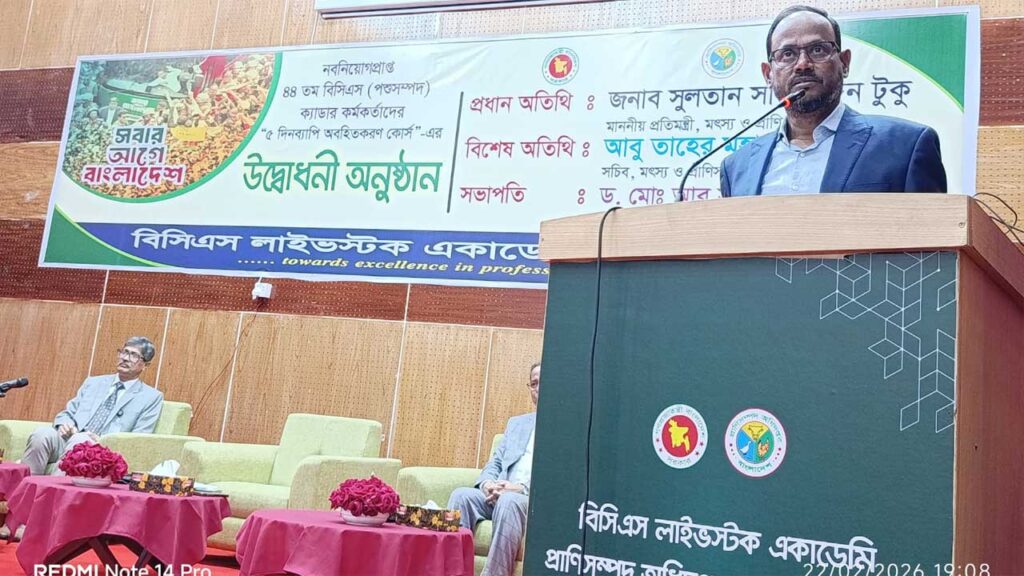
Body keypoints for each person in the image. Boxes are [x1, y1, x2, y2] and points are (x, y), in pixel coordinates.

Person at [720, 5, 947, 197]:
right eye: (787, 54)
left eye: (818, 50)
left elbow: (932, 236)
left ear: (844, 63)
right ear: (768, 74)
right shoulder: (736, 167)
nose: (802, 64)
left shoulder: (906, 146)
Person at [22, 336, 164, 476]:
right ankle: (24, 487)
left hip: (101, 448)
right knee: (41, 434)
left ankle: (52, 490)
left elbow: (139, 437)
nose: (125, 358)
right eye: (124, 352)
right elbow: (67, 413)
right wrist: (65, 425)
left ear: (145, 365)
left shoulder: (150, 397)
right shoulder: (93, 383)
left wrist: (103, 440)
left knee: (80, 440)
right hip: (70, 437)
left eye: (134, 355)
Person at [448, 362, 540, 576]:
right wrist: (488, 483)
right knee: (461, 496)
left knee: (509, 501)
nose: (538, 388)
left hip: (530, 499)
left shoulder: (567, 428)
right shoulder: (516, 424)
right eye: (534, 383)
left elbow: (560, 477)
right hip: (499, 493)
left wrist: (519, 488)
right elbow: (496, 462)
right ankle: (452, 571)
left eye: (543, 382)